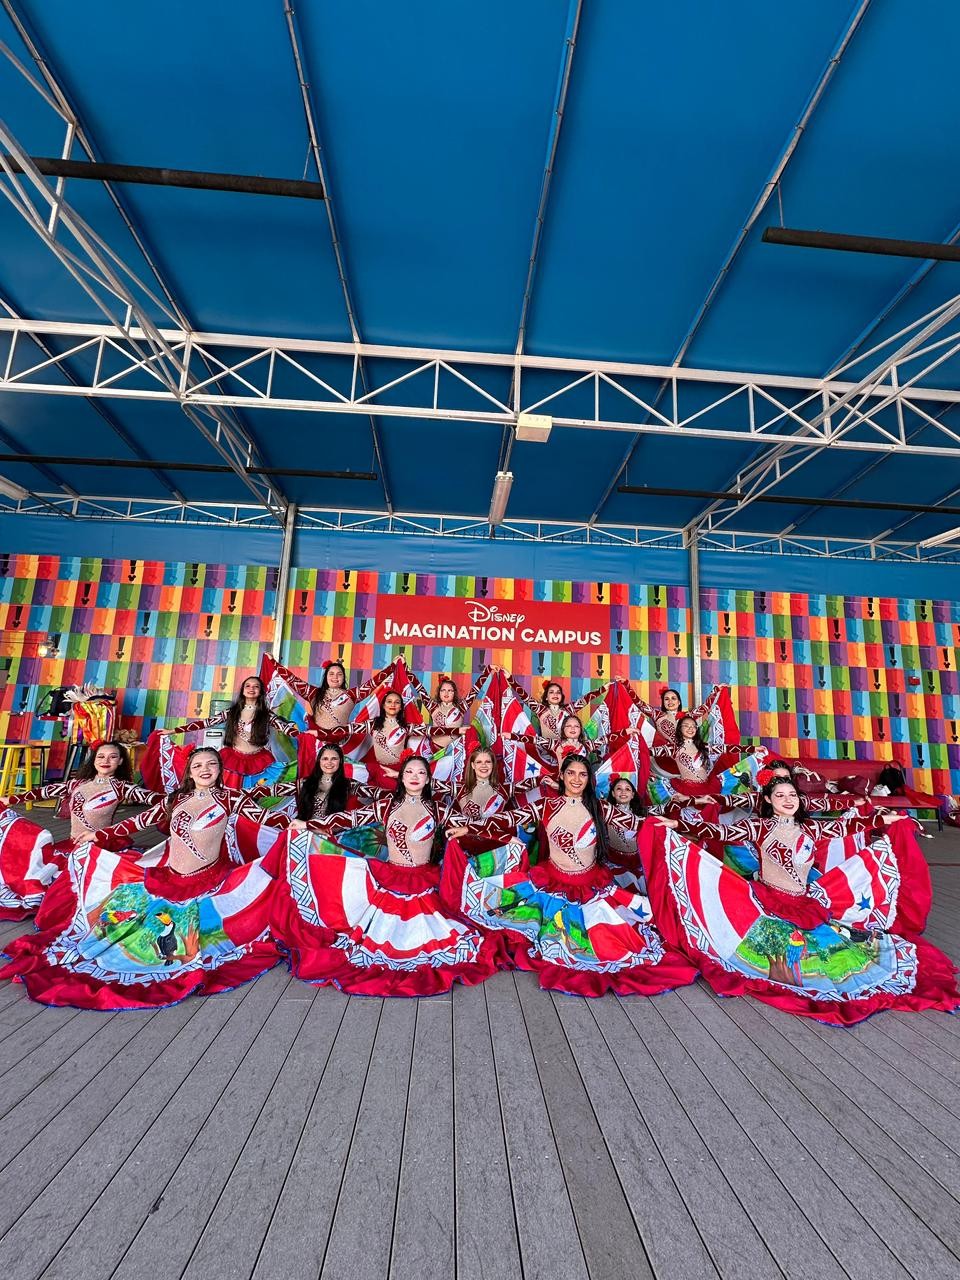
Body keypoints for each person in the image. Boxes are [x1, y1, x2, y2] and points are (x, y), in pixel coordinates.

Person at [640, 777, 959, 1025]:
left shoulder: (810, 827)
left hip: (803, 905)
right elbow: (717, 832)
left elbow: (848, 825)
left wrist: (883, 821)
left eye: (792, 795)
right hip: (767, 906)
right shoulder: (759, 825)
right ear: (767, 800)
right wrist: (677, 825)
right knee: (780, 963)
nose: (787, 800)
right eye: (779, 796)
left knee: (838, 962)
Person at [0, 748, 282, 1009]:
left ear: (220, 769)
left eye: (211, 764)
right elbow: (139, 821)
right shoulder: (176, 799)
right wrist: (99, 835)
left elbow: (269, 819)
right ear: (189, 771)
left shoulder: (231, 798)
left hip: (208, 882)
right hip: (168, 880)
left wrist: (304, 826)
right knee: (116, 935)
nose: (204, 770)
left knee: (182, 945)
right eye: (197, 765)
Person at [441, 755, 698, 996]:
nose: (576, 779)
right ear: (562, 776)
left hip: (591, 888)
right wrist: (468, 828)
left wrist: (680, 823)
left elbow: (639, 823)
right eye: (571, 773)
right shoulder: (546, 806)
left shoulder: (600, 808)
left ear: (588, 779)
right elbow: (506, 819)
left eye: (582, 775)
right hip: (551, 887)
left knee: (620, 943)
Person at [271, 754, 504, 996]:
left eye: (421, 773)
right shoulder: (387, 806)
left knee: (446, 939)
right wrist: (307, 825)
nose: (415, 777)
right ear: (401, 777)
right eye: (410, 772)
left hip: (425, 884)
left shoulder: (438, 809)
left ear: (427, 780)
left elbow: (482, 826)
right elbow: (348, 819)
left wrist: (477, 831)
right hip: (390, 880)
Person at [0, 740, 160, 919]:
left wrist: (186, 799)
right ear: (93, 760)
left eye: (112, 757)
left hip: (100, 847)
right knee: (31, 865)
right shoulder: (77, 784)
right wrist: (11, 800)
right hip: (72, 844)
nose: (105, 760)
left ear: (121, 761)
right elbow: (45, 792)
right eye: (100, 756)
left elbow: (158, 801)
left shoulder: (122, 787)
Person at [160, 675, 298, 789]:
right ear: (243, 690)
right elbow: (205, 723)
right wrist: (173, 730)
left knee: (260, 794)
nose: (252, 689)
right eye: (248, 686)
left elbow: (286, 729)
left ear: (261, 691)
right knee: (229, 795)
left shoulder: (267, 715)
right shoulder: (232, 712)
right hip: (233, 761)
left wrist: (308, 736)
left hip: (260, 762)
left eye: (256, 686)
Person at [444, 748, 517, 848]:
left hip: (496, 847)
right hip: (466, 847)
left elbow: (532, 783)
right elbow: (430, 783)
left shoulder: (505, 789)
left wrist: (542, 779)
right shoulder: (459, 788)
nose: (483, 765)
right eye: (479, 762)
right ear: (473, 765)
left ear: (493, 765)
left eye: (488, 762)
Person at [308, 660, 357, 737]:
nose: (335, 677)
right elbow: (293, 680)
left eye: (339, 674)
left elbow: (372, 683)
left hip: (340, 742)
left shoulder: (351, 695)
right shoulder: (314, 693)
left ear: (344, 677)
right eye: (331, 674)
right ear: (326, 676)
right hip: (317, 742)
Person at [429, 676, 465, 749]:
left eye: (450, 690)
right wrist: (405, 668)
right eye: (443, 690)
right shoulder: (433, 707)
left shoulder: (461, 708)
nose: (446, 693)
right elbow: (419, 688)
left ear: (454, 693)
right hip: (433, 749)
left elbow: (475, 691)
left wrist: (487, 670)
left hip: (454, 751)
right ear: (439, 693)